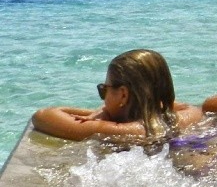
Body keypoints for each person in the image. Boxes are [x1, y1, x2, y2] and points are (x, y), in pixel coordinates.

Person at [32, 48, 203, 142]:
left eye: (104, 90)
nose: (103, 98)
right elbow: (171, 105)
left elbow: (43, 116)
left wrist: (102, 114)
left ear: (123, 95)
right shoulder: (189, 116)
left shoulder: (118, 130)